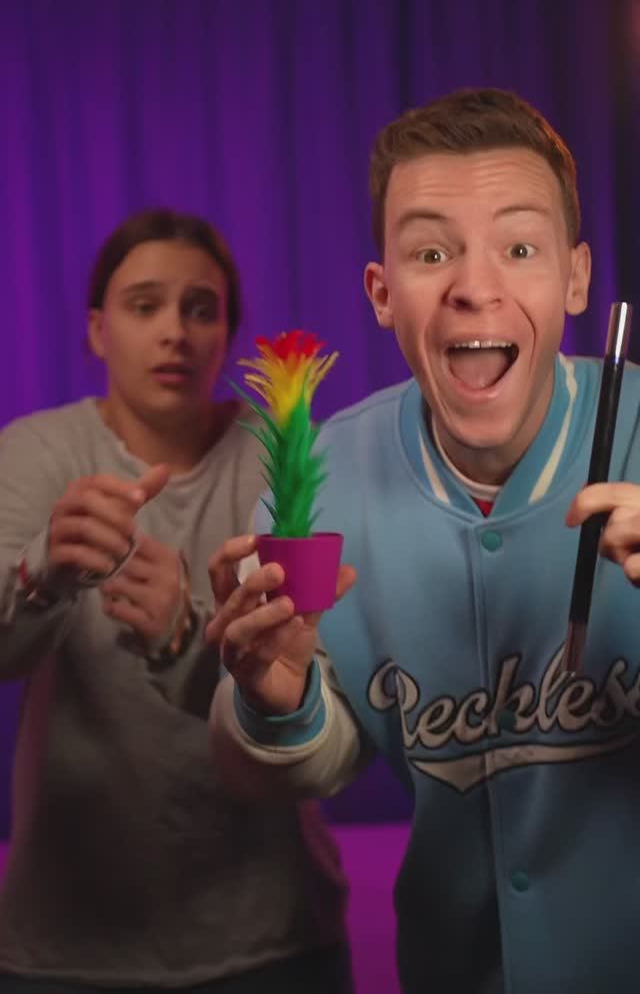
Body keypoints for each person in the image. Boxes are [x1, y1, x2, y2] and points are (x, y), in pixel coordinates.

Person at [207, 88, 640, 994]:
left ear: (575, 278)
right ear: (381, 293)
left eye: (519, 248)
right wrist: (276, 702)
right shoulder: (316, 486)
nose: (474, 286)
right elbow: (303, 763)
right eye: (431, 253)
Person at [0, 208, 352, 993]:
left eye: (201, 309)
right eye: (144, 305)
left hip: (273, 939)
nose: (176, 333)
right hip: (66, 948)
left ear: (227, 334)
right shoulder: (37, 451)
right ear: (98, 330)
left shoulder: (286, 467)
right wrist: (43, 569)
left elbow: (318, 706)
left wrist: (184, 641)